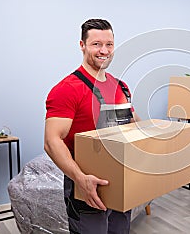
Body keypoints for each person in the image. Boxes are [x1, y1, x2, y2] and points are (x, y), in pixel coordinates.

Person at [44, 19, 139, 234]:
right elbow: (52, 142)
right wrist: (80, 179)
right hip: (86, 183)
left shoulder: (120, 87)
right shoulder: (67, 89)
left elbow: (133, 124)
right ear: (82, 45)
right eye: (96, 44)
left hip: (120, 180)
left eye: (109, 44)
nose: (104, 50)